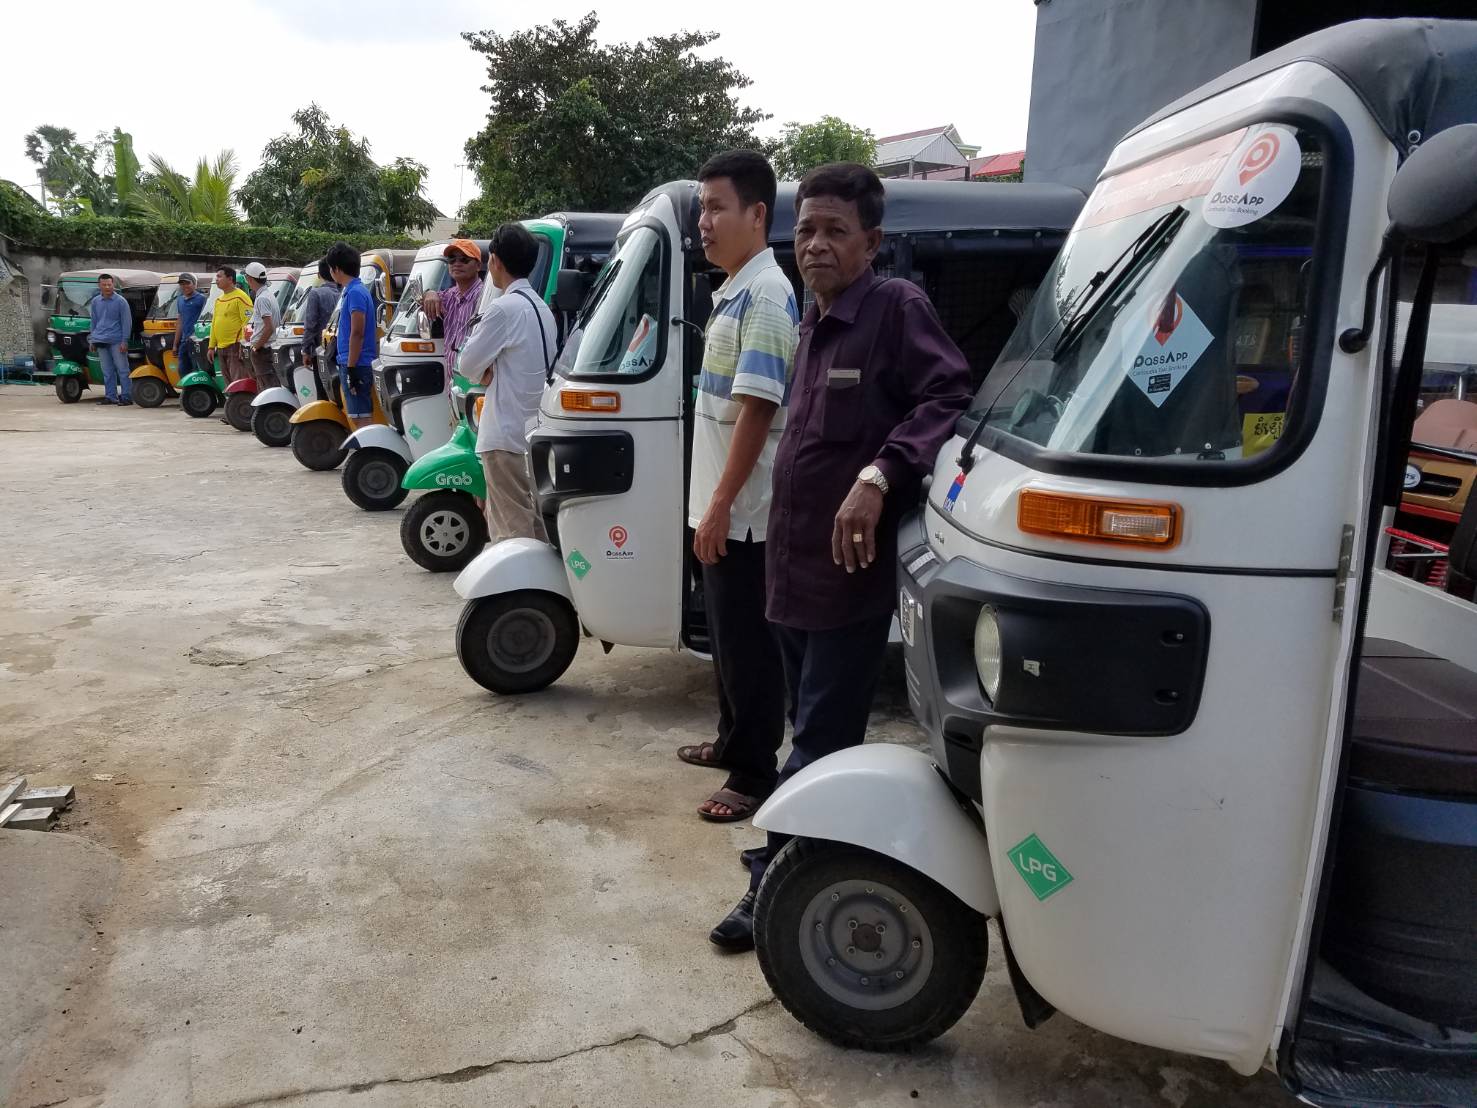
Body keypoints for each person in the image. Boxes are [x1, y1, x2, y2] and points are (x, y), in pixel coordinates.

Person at [709, 163, 973, 952]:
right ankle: (824, 849)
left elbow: (947, 396)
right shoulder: (811, 321)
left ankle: (775, 883)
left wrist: (878, 474)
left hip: (844, 574)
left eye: (835, 231)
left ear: (871, 241)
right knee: (808, 724)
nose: (816, 246)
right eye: (807, 231)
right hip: (790, 565)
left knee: (819, 736)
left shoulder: (894, 308)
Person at [677, 150, 799, 824]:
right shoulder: (734, 290)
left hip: (745, 513)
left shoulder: (768, 295)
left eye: (715, 207)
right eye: (702, 208)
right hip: (719, 505)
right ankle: (730, 740)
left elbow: (758, 407)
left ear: (756, 214)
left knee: (749, 645)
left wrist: (721, 505)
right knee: (725, 638)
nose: (704, 221)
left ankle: (754, 772)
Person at [456, 223, 556, 543]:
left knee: (511, 534)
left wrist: (487, 369)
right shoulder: (542, 308)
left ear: (495, 261)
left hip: (503, 434)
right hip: (532, 432)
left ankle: (517, 579)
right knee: (535, 529)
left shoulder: (502, 308)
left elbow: (467, 364)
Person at [324, 242, 378, 429]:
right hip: (353, 362)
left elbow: (357, 332)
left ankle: (369, 448)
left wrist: (351, 367)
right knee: (357, 416)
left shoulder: (355, 292)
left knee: (361, 419)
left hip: (357, 363)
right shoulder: (353, 290)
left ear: (337, 269)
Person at [419, 239, 486, 381]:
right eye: (452, 259)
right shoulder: (449, 295)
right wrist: (429, 293)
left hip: (475, 382)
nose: (457, 263)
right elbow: (421, 300)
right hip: (452, 381)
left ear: (478, 266)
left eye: (464, 259)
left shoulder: (485, 297)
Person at [89, 273, 133, 405]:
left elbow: (127, 322)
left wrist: (125, 341)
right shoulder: (95, 301)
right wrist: (92, 339)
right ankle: (110, 396)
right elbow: (94, 321)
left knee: (123, 370)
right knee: (107, 371)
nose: (107, 287)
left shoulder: (121, 302)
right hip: (100, 340)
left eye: (109, 284)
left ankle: (127, 397)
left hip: (117, 341)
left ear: (113, 284)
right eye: (104, 285)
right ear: (99, 285)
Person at [206, 267, 252, 387]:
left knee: (238, 383)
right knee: (228, 384)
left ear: (230, 279)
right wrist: (211, 346)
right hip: (221, 348)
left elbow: (248, 322)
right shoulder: (219, 300)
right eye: (216, 276)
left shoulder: (241, 297)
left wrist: (243, 344)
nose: (217, 279)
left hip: (235, 346)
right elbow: (214, 324)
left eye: (219, 276)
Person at [300, 258, 339, 382]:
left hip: (321, 351)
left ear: (319, 275)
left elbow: (310, 325)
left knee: (323, 388)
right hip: (339, 351)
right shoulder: (343, 293)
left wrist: (305, 350)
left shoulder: (315, 294)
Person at [242, 261, 279, 389]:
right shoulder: (268, 295)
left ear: (250, 279)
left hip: (263, 350)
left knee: (266, 387)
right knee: (268, 385)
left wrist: (256, 347)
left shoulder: (262, 298)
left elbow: (269, 328)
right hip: (268, 348)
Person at [172, 274, 206, 383]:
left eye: (187, 283)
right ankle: (187, 391)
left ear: (194, 284)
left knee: (197, 371)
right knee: (182, 370)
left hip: (197, 342)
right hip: (184, 342)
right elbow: (180, 322)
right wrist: (175, 344)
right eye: (182, 283)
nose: (185, 286)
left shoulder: (202, 299)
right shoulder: (180, 300)